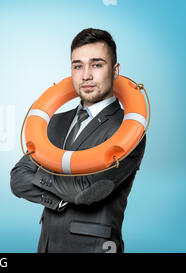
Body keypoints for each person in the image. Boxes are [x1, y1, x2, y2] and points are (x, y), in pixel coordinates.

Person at [10, 28, 146, 253]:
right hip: (47, 246)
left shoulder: (128, 131)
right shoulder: (54, 123)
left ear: (115, 70)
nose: (86, 75)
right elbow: (17, 179)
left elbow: (87, 192)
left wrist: (42, 174)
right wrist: (58, 200)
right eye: (78, 65)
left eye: (97, 64)